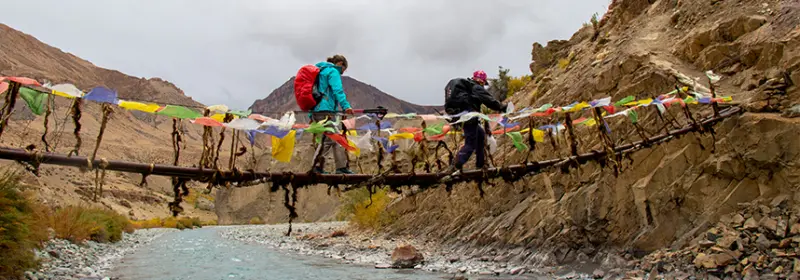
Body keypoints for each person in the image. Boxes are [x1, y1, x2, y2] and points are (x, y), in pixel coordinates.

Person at [441, 70, 507, 179]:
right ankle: (455, 166)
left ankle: (480, 165)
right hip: (469, 116)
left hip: (461, 116)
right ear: (482, 81)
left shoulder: (467, 87)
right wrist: (502, 107)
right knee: (470, 143)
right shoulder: (476, 87)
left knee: (481, 136)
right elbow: (489, 100)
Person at [311, 54, 355, 174]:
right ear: (340, 64)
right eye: (343, 71)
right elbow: (337, 90)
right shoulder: (332, 72)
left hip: (318, 109)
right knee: (330, 138)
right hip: (326, 110)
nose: (341, 74)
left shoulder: (321, 72)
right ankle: (316, 166)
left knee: (335, 138)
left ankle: (340, 167)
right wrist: (346, 106)